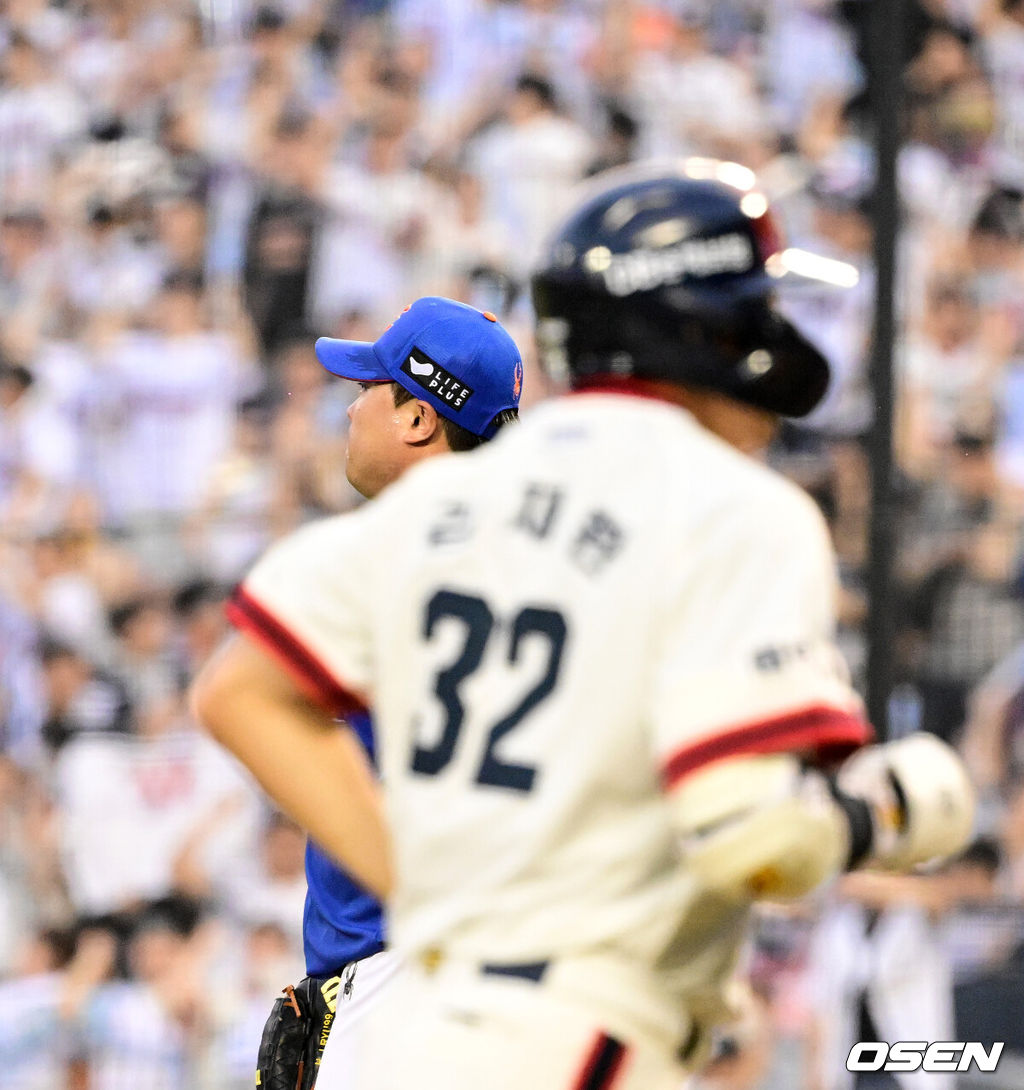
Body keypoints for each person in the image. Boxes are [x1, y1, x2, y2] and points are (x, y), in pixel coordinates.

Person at [192, 160, 975, 1089]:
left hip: (409, 1016)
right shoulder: (733, 509)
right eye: (754, 307)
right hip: (566, 1019)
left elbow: (238, 691)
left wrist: (427, 897)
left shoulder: (427, 514)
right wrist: (879, 811)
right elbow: (753, 835)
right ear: (704, 329)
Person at [248, 296, 523, 1089]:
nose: (351, 407)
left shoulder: (385, 556)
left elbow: (232, 702)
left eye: (368, 386)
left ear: (417, 419)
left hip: (402, 980)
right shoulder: (531, 562)